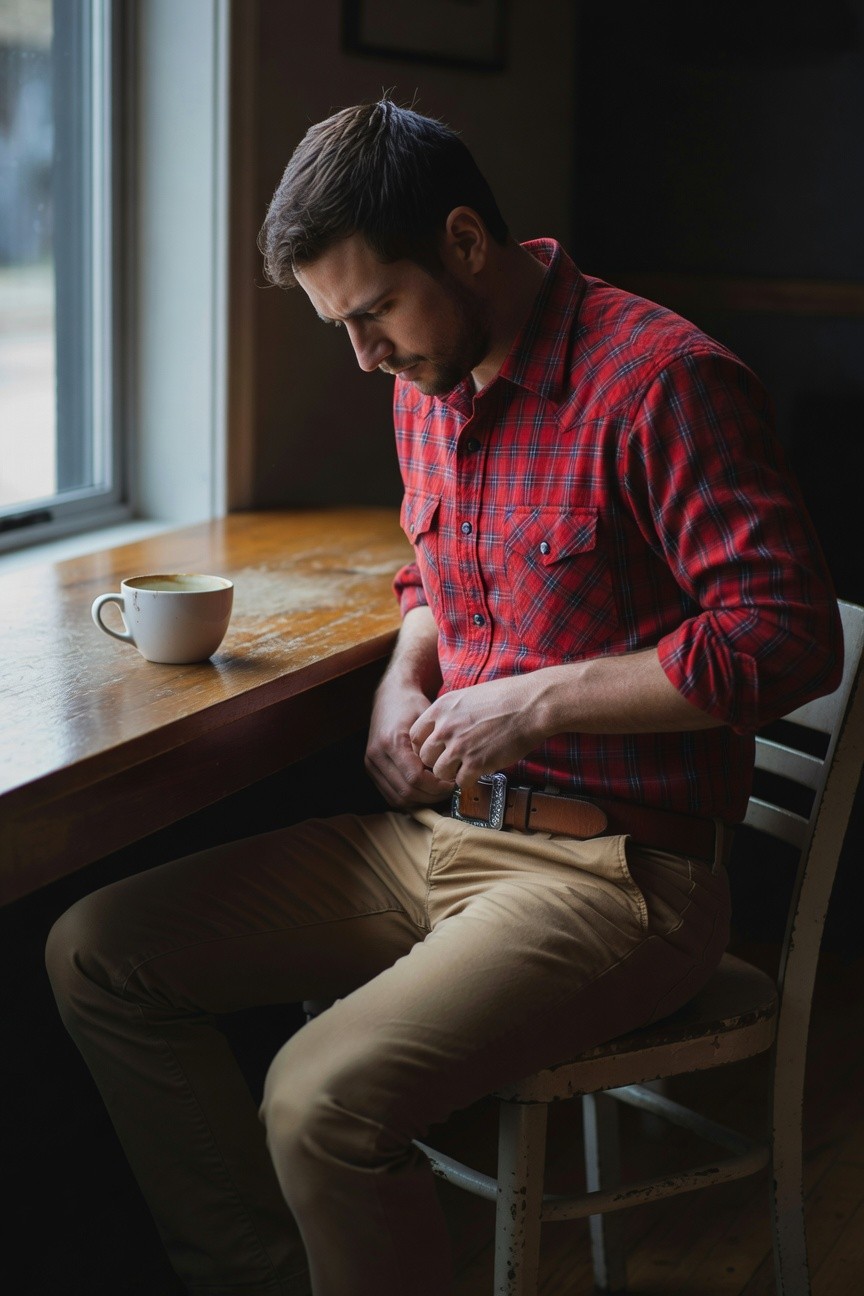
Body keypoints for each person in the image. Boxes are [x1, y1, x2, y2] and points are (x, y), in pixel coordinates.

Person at [46, 100, 842, 1296]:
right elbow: (438, 567)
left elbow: (785, 643)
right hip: (444, 840)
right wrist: (406, 673)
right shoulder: (429, 371)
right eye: (339, 326)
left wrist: (527, 706)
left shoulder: (662, 382)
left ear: (466, 241)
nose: (362, 354)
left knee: (314, 1101)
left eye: (371, 312)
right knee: (98, 953)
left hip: (627, 880)